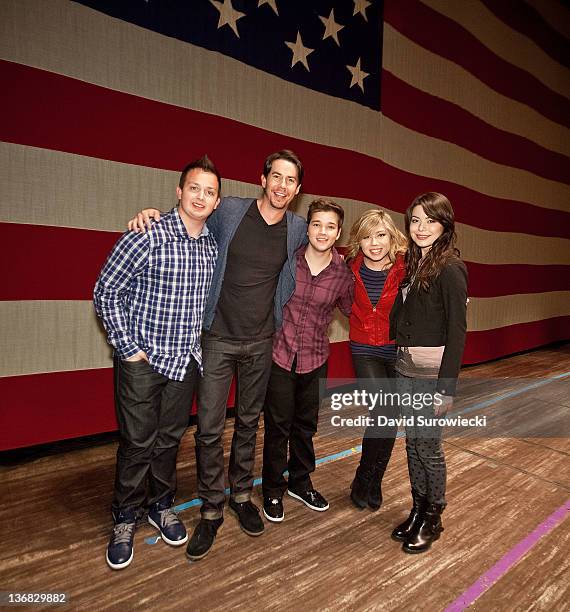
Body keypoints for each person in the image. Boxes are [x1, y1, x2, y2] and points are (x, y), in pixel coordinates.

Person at [127, 150, 307, 561]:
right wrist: (149, 214)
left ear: (297, 190)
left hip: (262, 342)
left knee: (248, 423)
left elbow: (326, 243)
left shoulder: (296, 228)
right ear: (262, 179)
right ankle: (212, 507)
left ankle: (241, 495)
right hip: (216, 340)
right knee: (208, 429)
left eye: (289, 181)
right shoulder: (230, 213)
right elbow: (191, 209)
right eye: (275, 177)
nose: (281, 186)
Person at [94, 155, 221, 570]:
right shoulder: (146, 234)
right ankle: (125, 515)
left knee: (169, 440)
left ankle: (160, 504)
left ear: (217, 203)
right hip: (143, 360)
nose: (201, 196)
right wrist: (128, 348)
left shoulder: (212, 246)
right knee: (137, 442)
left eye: (210, 191)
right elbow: (105, 291)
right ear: (179, 191)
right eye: (195, 188)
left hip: (185, 361)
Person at [262, 199, 354, 522]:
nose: (322, 231)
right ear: (308, 226)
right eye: (317, 224)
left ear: (338, 232)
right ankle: (272, 489)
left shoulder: (343, 274)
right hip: (279, 355)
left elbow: (359, 309)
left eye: (330, 226)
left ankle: (300, 483)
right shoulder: (288, 261)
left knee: (305, 427)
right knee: (277, 427)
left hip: (315, 359)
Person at [389, 192, 468, 554]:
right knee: (412, 443)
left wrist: (445, 389)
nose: (421, 228)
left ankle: (434, 516)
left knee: (428, 447)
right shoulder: (415, 261)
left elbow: (457, 331)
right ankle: (418, 508)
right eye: (416, 220)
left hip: (430, 376)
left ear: (444, 225)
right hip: (405, 368)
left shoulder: (450, 267)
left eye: (430, 221)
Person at [345, 209, 407, 511]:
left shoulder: (406, 269)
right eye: (367, 236)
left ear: (391, 237)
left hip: (396, 350)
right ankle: (362, 476)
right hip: (364, 349)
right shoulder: (348, 268)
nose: (374, 243)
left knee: (390, 418)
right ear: (359, 241)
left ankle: (374, 479)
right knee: (382, 410)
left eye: (381, 235)